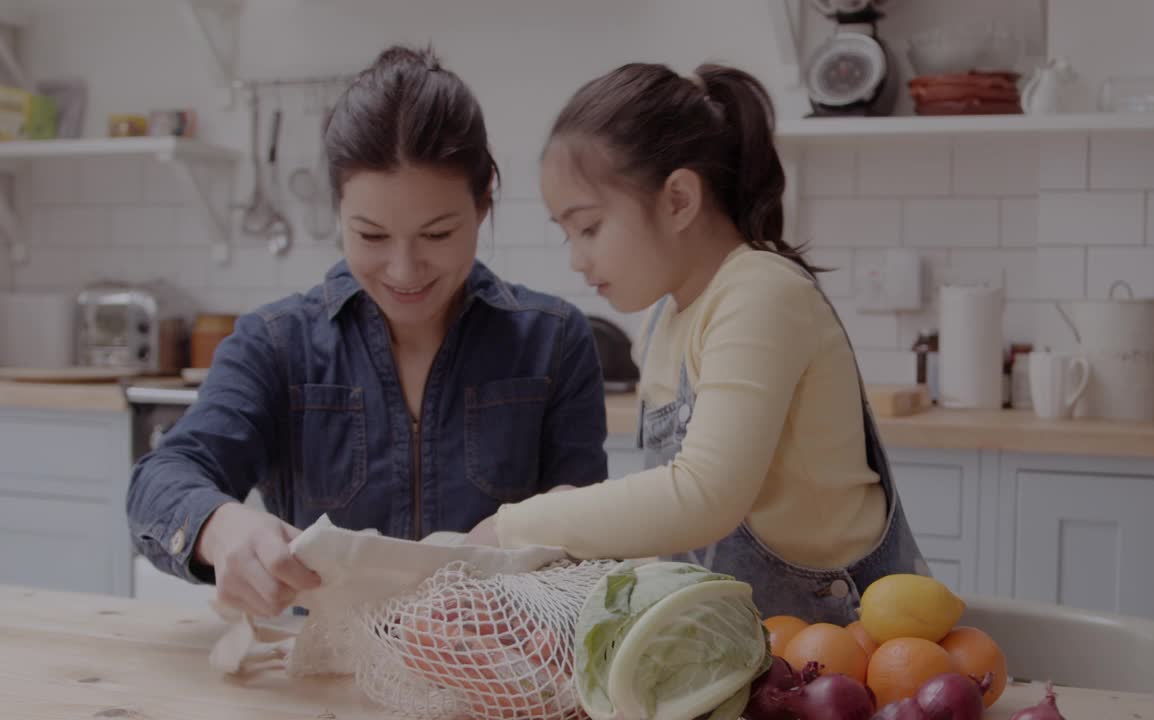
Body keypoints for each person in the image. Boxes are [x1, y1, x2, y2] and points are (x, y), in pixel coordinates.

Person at [127, 46, 609, 618]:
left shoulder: (553, 342)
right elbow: (161, 479)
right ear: (338, 213)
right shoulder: (277, 344)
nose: (404, 271)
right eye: (372, 236)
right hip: (317, 680)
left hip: (499, 676)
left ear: (482, 206)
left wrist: (571, 522)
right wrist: (220, 527)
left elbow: (588, 538)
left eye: (436, 234)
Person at [467, 62, 927, 624]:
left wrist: (517, 523)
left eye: (588, 228)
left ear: (679, 199)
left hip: (842, 645)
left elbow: (704, 496)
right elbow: (675, 514)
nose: (576, 259)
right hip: (742, 636)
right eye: (566, 234)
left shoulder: (759, 292)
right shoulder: (664, 319)